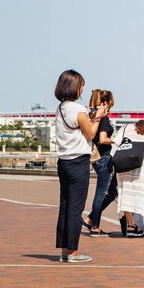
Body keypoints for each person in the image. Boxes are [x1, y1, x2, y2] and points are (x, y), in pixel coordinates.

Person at [54, 69, 106, 263]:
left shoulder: (61, 109)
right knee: (76, 208)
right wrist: (99, 116)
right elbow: (90, 134)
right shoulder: (78, 109)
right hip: (78, 162)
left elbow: (79, 129)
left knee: (66, 206)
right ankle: (73, 251)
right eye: (81, 85)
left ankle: (65, 251)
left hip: (64, 162)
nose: (83, 88)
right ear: (75, 87)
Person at [113, 120, 144, 239]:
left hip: (123, 168)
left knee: (125, 196)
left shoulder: (124, 130)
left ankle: (131, 226)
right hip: (141, 170)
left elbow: (114, 147)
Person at [83, 90, 117, 237]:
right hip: (104, 158)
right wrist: (116, 140)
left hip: (98, 158)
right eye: (110, 103)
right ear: (105, 102)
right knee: (102, 193)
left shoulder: (93, 115)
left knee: (112, 192)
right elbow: (103, 139)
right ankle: (95, 226)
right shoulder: (102, 118)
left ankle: (91, 219)